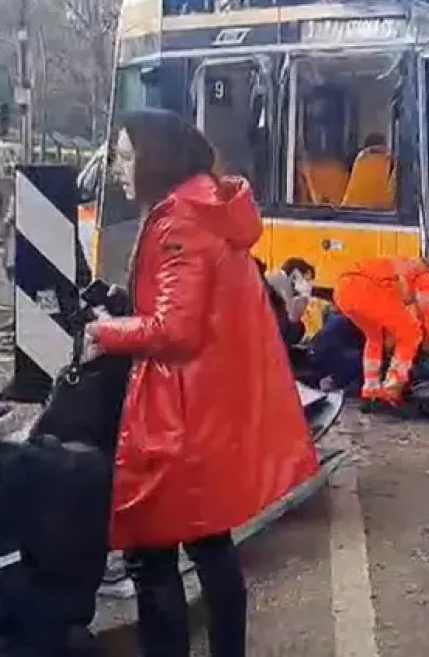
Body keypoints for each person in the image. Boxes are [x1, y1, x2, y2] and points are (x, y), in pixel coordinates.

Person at [82, 109, 318, 657]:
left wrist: (106, 330)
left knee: (153, 551)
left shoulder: (179, 221)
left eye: (123, 155)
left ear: (154, 158)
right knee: (210, 542)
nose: (118, 168)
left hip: (175, 414)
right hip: (206, 406)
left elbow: (175, 329)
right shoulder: (209, 209)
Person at [332, 255, 429, 409]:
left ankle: (371, 390)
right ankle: (391, 390)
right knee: (411, 333)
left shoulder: (402, 264)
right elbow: (428, 312)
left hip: (342, 291)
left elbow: (393, 314)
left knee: (374, 337)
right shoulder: (424, 274)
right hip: (366, 288)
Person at [264, 257, 317, 346]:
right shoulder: (275, 294)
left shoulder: (271, 286)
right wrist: (304, 296)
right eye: (306, 280)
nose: (308, 285)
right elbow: (289, 331)